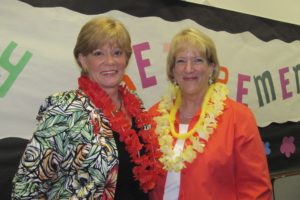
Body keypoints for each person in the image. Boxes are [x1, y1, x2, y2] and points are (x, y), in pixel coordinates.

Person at [11, 16, 161, 200]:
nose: (110, 61)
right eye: (98, 53)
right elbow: (26, 186)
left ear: (126, 58)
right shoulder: (64, 108)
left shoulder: (135, 104)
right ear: (83, 59)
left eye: (117, 52)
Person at [149, 28, 272, 200]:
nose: (189, 69)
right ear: (172, 70)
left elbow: (256, 189)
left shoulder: (238, 117)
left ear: (211, 68)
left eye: (198, 60)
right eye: (181, 61)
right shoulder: (153, 117)